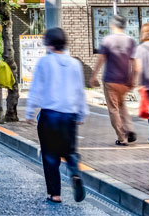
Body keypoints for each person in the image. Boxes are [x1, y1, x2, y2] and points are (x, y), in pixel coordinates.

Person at [25, 28, 87, 204]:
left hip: (49, 115)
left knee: (50, 155)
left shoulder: (44, 62)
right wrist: (82, 113)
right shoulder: (75, 63)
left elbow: (36, 88)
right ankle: (74, 171)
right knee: (69, 150)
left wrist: (30, 111)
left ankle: (55, 194)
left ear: (49, 43)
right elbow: (80, 90)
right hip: (69, 115)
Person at [90, 15, 137, 146]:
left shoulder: (107, 40)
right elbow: (135, 64)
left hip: (110, 80)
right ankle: (129, 129)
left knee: (114, 109)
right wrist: (133, 79)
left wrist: (94, 76)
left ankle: (122, 137)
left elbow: (101, 59)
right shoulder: (130, 41)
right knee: (122, 105)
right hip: (124, 81)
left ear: (112, 25)